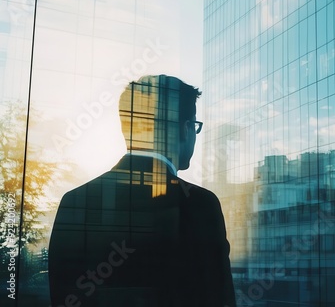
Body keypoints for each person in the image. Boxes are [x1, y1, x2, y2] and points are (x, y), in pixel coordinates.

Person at [49, 75, 236, 307]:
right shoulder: (201, 205)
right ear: (186, 129)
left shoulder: (74, 201)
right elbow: (219, 298)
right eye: (195, 127)